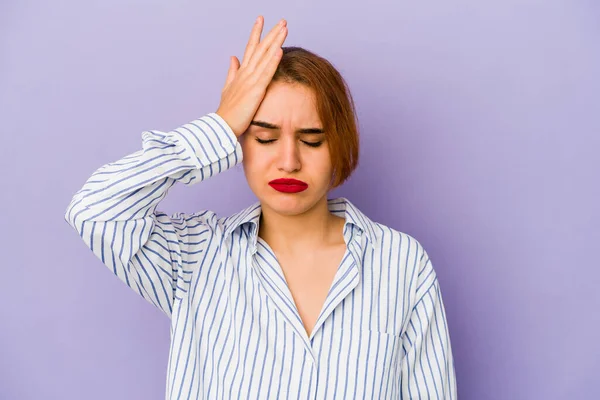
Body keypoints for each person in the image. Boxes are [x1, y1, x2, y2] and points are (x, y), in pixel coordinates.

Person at [64, 15, 457, 400]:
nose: (289, 161)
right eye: (265, 138)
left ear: (339, 143)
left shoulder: (401, 263)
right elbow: (95, 210)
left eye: (313, 139)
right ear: (239, 144)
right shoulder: (193, 257)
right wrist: (220, 124)